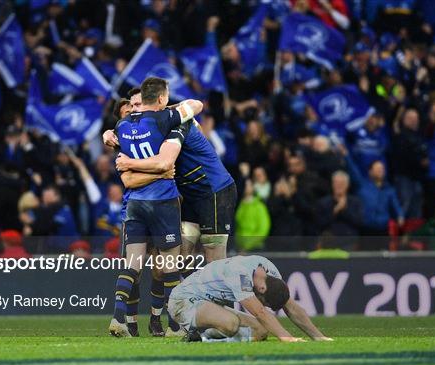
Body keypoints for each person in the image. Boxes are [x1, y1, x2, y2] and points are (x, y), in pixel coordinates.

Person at [108, 77, 203, 338]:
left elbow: (115, 142)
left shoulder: (122, 124)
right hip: (162, 201)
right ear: (161, 99)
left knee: (132, 264)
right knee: (170, 265)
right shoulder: (163, 119)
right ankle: (174, 326)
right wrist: (171, 107)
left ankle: (118, 319)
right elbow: (196, 105)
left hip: (135, 203)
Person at [104, 87, 237, 265]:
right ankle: (197, 290)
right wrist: (108, 132)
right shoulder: (141, 132)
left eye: (138, 105)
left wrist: (129, 163)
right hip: (189, 195)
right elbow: (129, 178)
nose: (134, 111)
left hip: (213, 190)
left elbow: (165, 163)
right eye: (131, 109)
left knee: (214, 256)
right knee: (179, 258)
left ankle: (229, 292)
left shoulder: (174, 121)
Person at [168, 254, 332, 343]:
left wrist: (319, 337)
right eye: (263, 301)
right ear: (261, 289)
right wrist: (287, 338)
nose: (262, 304)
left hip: (211, 305)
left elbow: (291, 307)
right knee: (230, 323)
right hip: (184, 300)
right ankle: (201, 333)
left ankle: (202, 338)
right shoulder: (239, 273)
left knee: (260, 331)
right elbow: (260, 312)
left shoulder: (270, 272)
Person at [315, 171, 363, 248]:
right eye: (337, 183)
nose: (339, 186)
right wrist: (335, 211)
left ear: (347, 185)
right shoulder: (323, 203)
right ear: (332, 184)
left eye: (342, 183)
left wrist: (345, 210)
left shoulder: (355, 202)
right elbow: (320, 224)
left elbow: (359, 223)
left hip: (349, 242)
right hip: (329, 244)